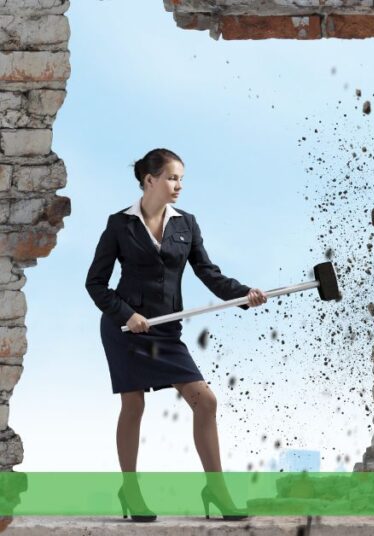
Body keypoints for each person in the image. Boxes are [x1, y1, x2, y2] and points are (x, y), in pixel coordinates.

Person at [85, 148, 268, 522]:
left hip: (167, 330)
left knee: (206, 401)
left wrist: (245, 295)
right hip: (125, 329)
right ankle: (131, 490)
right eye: (172, 177)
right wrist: (127, 313)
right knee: (133, 406)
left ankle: (215, 490)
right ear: (150, 180)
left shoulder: (187, 223)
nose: (178, 185)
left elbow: (209, 273)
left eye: (181, 178)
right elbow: (95, 284)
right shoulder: (119, 224)